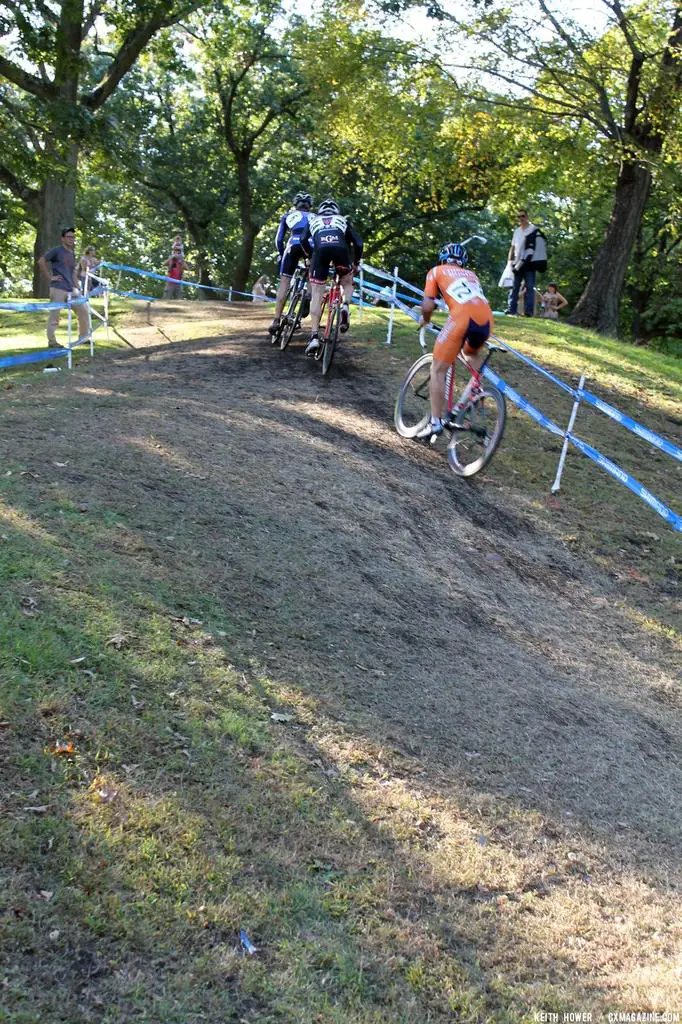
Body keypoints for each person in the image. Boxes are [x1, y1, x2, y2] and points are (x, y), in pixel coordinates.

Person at [416, 242, 493, 439]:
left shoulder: (436, 271)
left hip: (462, 318)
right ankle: (477, 390)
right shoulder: (472, 275)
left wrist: (425, 320)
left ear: (442, 258)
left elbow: (428, 304)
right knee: (470, 351)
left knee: (437, 368)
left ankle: (435, 422)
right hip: (486, 319)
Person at [300, 199, 363, 355]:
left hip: (320, 252)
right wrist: (355, 263)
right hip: (340, 250)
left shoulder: (313, 220)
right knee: (347, 282)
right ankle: (346, 305)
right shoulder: (342, 220)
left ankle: (314, 337)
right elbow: (359, 243)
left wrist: (309, 255)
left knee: (316, 293)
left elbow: (302, 240)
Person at [268, 192, 314, 336]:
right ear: (310, 206)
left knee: (284, 282)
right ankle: (308, 295)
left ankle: (276, 320)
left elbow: (279, 239)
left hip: (293, 244)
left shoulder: (288, 215)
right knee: (313, 276)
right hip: (311, 246)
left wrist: (282, 255)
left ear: (296, 204)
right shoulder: (316, 217)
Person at [38, 226, 91, 348]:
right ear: (63, 239)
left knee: (83, 310)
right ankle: (52, 342)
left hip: (71, 289)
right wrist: (50, 277)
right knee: (55, 315)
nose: (71, 239)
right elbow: (41, 261)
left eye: (73, 237)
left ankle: (83, 338)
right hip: (58, 288)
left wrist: (78, 287)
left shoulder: (71, 253)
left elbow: (72, 272)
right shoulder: (56, 251)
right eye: (68, 237)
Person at [506, 209, 538, 317]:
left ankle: (528, 312)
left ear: (527, 217)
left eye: (523, 216)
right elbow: (513, 247)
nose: (521, 218)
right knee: (515, 286)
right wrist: (509, 261)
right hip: (517, 262)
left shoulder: (534, 229)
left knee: (529, 287)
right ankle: (511, 310)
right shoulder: (517, 231)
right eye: (519, 217)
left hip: (529, 263)